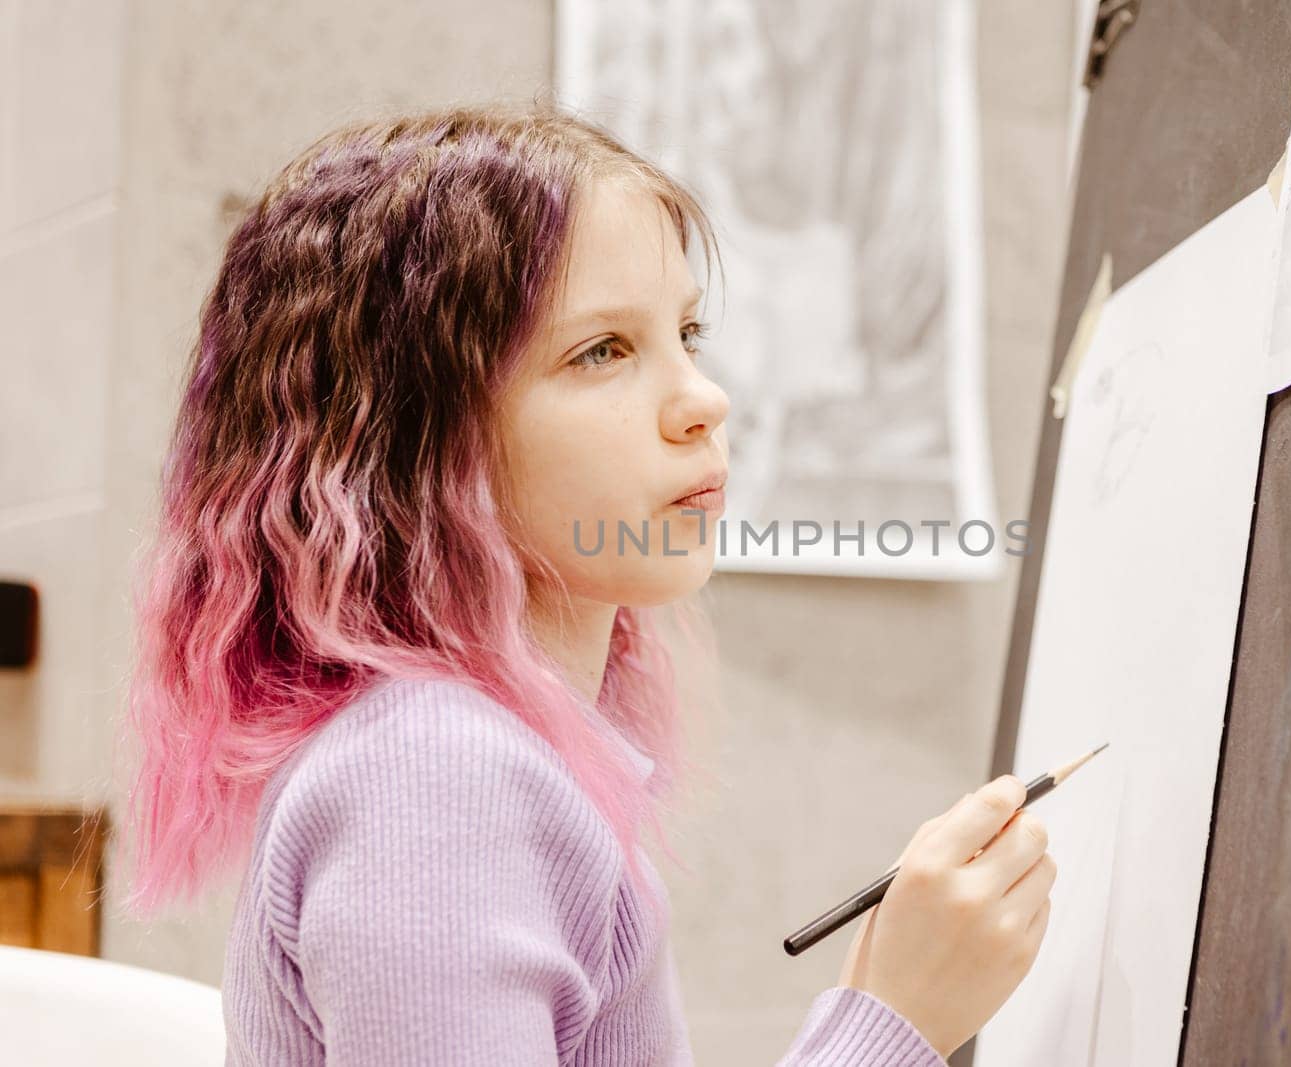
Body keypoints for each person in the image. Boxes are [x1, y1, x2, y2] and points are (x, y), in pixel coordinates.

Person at [116, 99, 1056, 1065]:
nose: (704, 399)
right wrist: (893, 1023)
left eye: (687, 333)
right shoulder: (433, 774)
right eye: (602, 350)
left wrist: (879, 995)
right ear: (411, 441)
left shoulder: (476, 755)